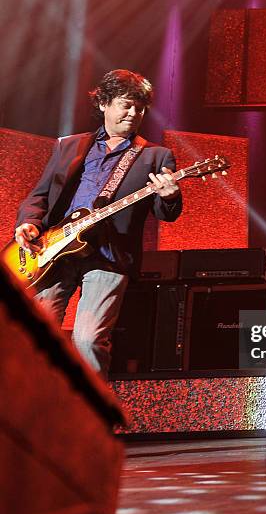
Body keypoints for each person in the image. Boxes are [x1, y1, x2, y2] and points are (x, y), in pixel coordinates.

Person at [14, 69, 182, 377]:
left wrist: (170, 195)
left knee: (89, 339)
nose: (134, 113)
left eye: (140, 108)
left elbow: (166, 213)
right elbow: (38, 196)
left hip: (110, 258)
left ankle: (94, 418)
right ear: (104, 103)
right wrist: (29, 223)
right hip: (54, 253)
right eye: (126, 105)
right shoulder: (69, 146)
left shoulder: (155, 156)